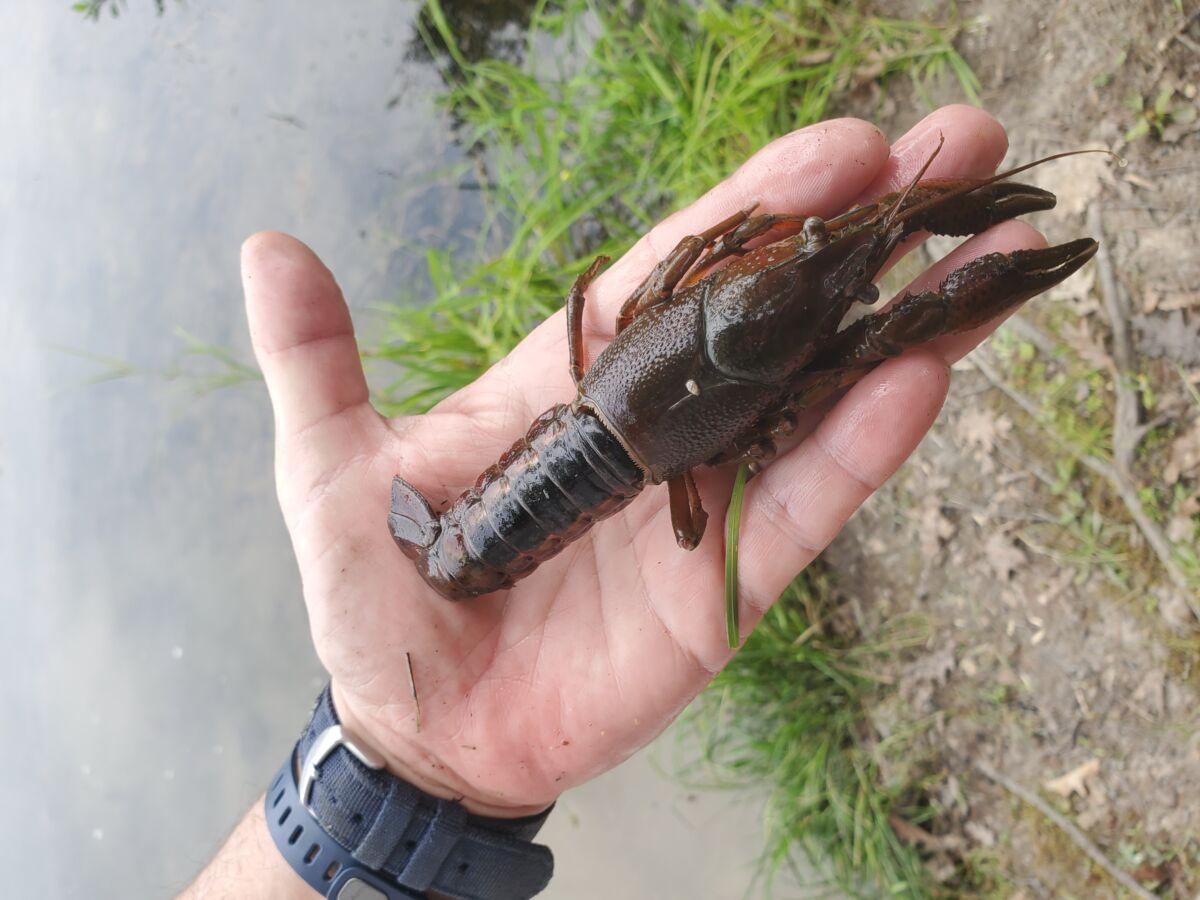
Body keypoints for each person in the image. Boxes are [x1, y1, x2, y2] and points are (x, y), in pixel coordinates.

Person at [183, 105, 1036, 898]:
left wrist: (401, 768)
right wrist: (398, 753)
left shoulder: (659, 305)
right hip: (502, 514)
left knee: (858, 282)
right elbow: (797, 357)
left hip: (537, 483)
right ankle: (451, 567)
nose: (808, 244)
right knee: (879, 339)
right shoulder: (688, 332)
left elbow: (692, 276)